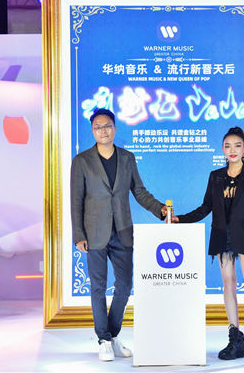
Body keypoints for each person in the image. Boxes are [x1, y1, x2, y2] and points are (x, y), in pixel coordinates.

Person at [71, 108, 167, 361]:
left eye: (107, 126)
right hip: (94, 233)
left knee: (124, 286)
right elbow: (76, 200)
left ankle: (112, 335)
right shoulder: (82, 160)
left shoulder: (127, 158)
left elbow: (140, 191)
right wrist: (78, 234)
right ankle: (103, 339)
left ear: (114, 129)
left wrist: (160, 209)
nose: (103, 130)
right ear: (93, 131)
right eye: (98, 127)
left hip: (123, 231)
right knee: (98, 287)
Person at [172, 126, 244, 366]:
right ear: (222, 150)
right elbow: (205, 207)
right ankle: (235, 340)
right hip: (221, 235)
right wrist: (180, 219)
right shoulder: (215, 176)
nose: (232, 150)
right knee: (228, 284)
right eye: (227, 146)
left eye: (237, 145)